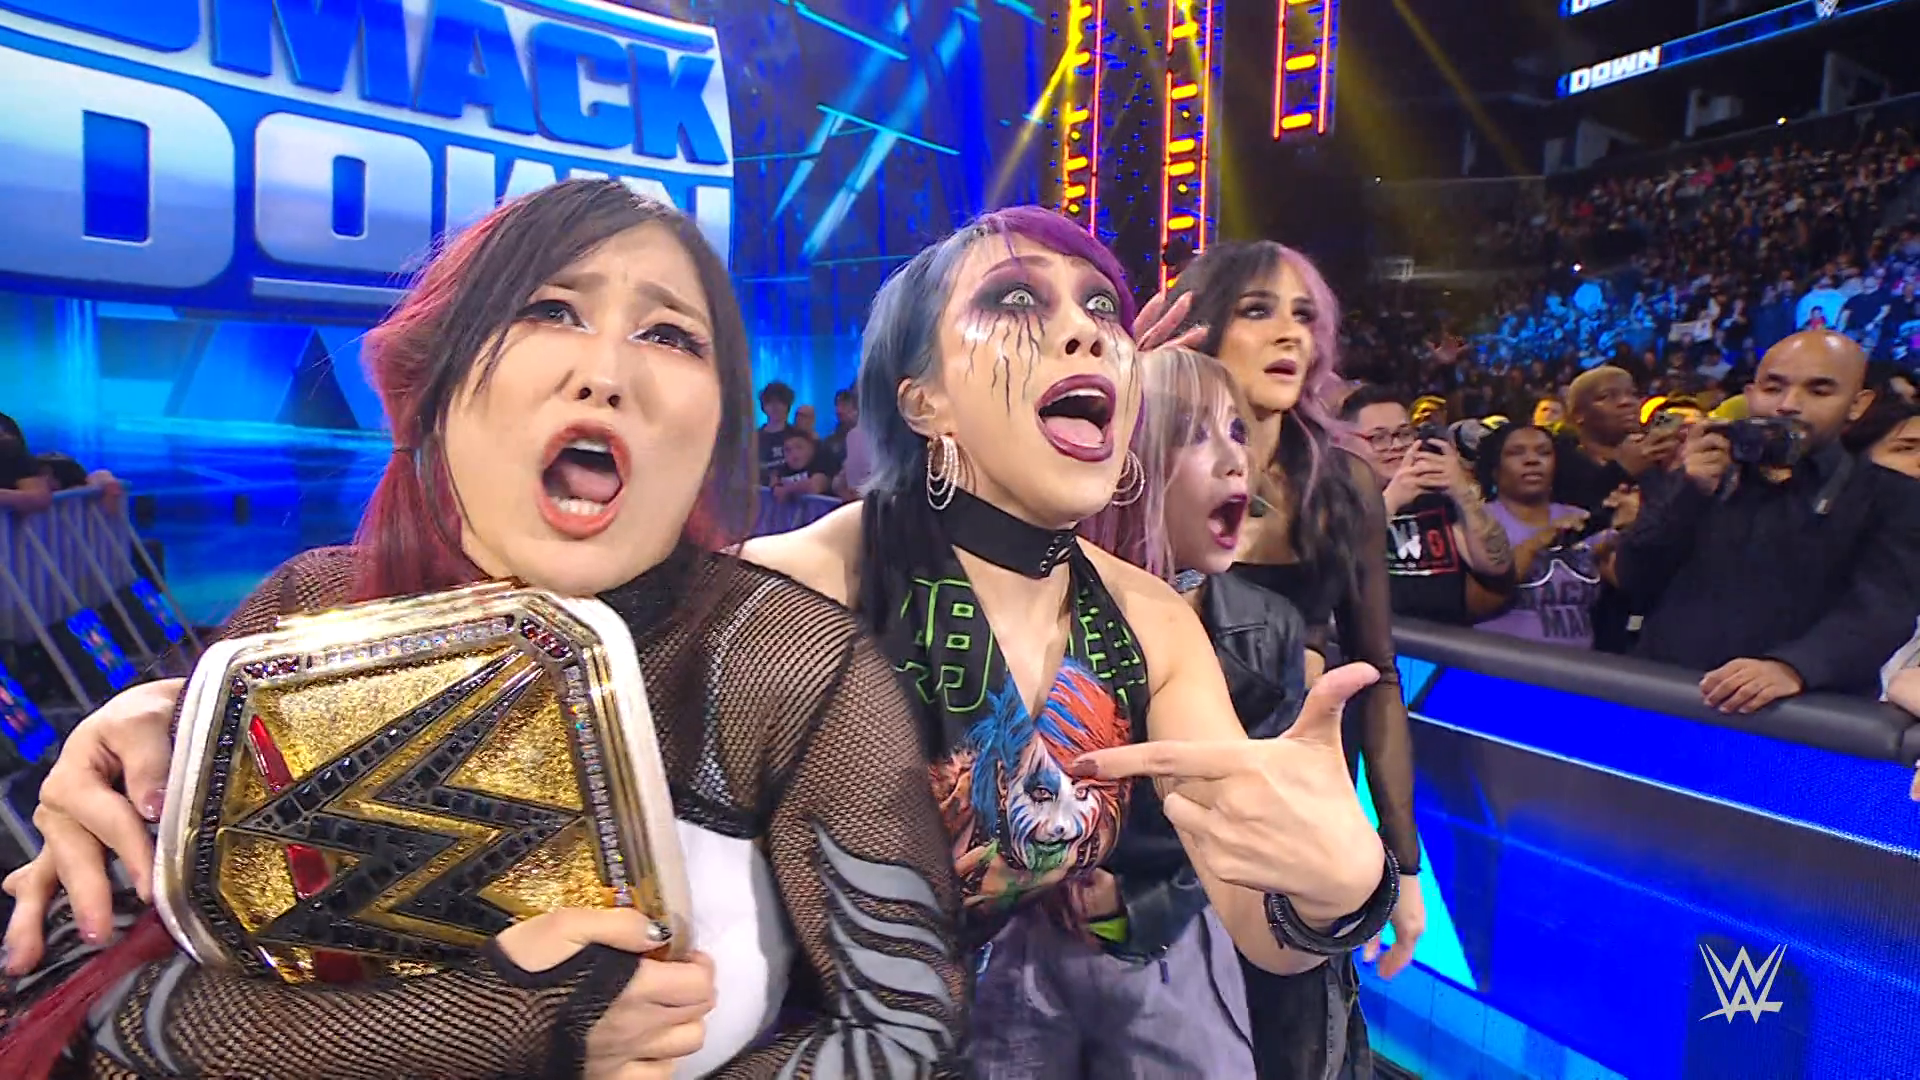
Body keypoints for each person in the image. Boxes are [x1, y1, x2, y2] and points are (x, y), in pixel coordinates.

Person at [1, 181, 964, 1079]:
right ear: (436, 379)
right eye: (552, 310)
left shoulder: (786, 663)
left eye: (671, 334)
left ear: (716, 424)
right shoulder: (306, 619)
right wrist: (508, 1017)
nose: (607, 372)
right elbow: (77, 1003)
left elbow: (907, 1036)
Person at [741, 209, 1397, 1074]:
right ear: (924, 400)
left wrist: (1341, 886)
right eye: (1015, 301)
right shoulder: (801, 589)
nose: (1086, 332)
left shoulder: (1151, 622)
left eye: (1102, 308)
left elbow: (1258, 921)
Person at [1167, 240, 1423, 1080]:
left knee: (1296, 1044)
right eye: (1258, 311)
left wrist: (1401, 863)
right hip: (1167, 810)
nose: (1290, 334)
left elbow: (1378, 674)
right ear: (1203, 329)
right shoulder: (1141, 467)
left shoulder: (1343, 482)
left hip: (1296, 806)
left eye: (1304, 316)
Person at [1073, 345, 1315, 1076]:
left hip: (1174, 947)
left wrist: (1132, 907)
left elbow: (1246, 838)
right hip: (1018, 951)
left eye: (1237, 431)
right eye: (1193, 433)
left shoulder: (1269, 629)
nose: (1236, 459)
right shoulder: (1040, 604)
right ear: (1128, 462)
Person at [1618, 330, 1920, 711]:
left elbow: (1882, 611)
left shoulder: (1893, 497)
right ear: (1750, 394)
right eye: (1773, 388)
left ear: (1858, 404)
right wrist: (1688, 493)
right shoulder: (1700, 475)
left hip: (1799, 716)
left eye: (1819, 391)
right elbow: (1636, 581)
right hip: (1666, 700)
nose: (1789, 404)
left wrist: (1794, 667)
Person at [1341, 386, 1517, 626]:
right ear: (1347, 442)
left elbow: (1497, 566)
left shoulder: (1439, 496)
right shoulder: (1331, 500)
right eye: (1378, 438)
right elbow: (1334, 575)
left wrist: (1462, 492)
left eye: (1404, 433)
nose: (1396, 445)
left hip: (1444, 641)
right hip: (1369, 641)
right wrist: (1390, 501)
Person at [1471, 425, 1634, 650]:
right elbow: (1477, 600)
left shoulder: (1579, 518)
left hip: (1577, 664)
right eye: (1516, 453)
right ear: (1494, 469)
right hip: (1501, 661)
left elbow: (1628, 581)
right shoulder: (1479, 521)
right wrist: (1542, 539)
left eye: (1544, 452)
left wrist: (1631, 527)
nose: (1532, 460)